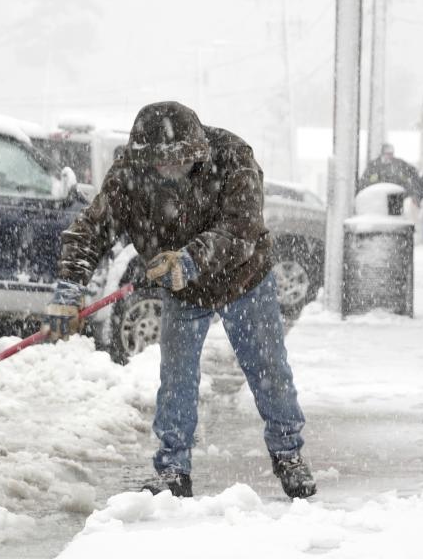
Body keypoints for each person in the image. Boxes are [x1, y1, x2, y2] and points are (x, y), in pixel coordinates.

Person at [44, 101, 316, 500]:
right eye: (160, 162)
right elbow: (90, 230)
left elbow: (241, 228)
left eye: (179, 159)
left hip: (244, 279)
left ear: (196, 149)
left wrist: (191, 258)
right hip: (184, 291)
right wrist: (69, 291)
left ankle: (288, 453)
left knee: (268, 370)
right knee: (176, 379)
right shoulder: (128, 176)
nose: (170, 169)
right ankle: (173, 468)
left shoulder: (233, 157)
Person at [358, 142, 422, 200]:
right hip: (378, 196)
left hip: (396, 196)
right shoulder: (373, 165)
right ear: (382, 153)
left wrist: (411, 189)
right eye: (387, 154)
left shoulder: (399, 163)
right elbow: (364, 181)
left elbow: (413, 173)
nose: (390, 156)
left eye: (391, 153)